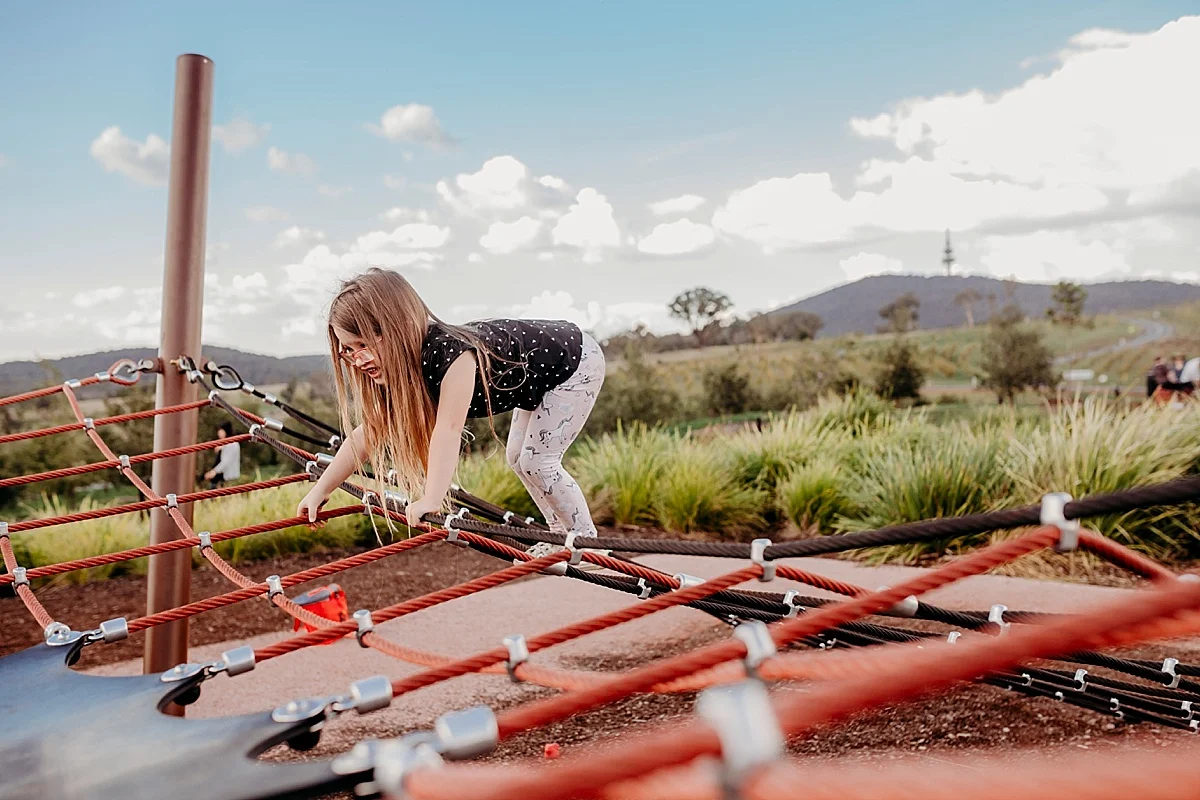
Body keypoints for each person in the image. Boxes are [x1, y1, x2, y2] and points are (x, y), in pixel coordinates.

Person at [296, 268, 606, 546]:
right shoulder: (403, 372)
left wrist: (432, 498)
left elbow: (448, 428)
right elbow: (367, 435)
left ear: (399, 326)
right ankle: (559, 536)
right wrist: (321, 489)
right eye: (349, 350)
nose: (358, 358)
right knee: (519, 457)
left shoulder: (450, 354)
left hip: (574, 363)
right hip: (540, 376)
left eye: (364, 344)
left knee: (538, 461)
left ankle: (586, 542)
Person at [204, 422, 241, 488]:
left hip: (228, 478)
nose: (219, 433)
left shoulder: (231, 444)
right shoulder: (228, 444)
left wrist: (214, 472)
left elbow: (225, 462)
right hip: (224, 477)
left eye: (220, 431)